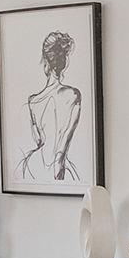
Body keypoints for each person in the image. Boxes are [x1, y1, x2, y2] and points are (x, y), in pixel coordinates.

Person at [18, 30, 82, 182]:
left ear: (45, 61)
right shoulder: (73, 95)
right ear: (64, 62)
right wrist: (59, 163)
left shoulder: (33, 101)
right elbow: (64, 142)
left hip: (33, 165)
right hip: (56, 166)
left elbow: (39, 141)